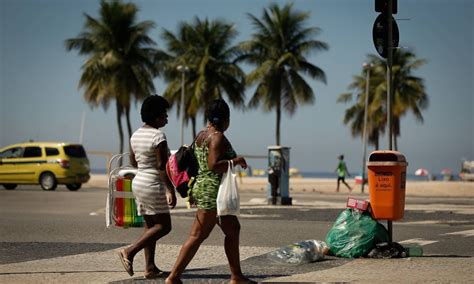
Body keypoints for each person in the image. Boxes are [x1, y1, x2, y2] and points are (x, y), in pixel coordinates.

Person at [165, 99, 255, 284]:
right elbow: (213, 165)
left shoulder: (201, 135)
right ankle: (173, 277)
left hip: (204, 188)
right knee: (197, 235)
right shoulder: (218, 137)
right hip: (212, 192)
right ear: (225, 119)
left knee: (233, 229)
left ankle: (236, 276)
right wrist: (236, 161)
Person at [118, 95, 177, 279]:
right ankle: (129, 251)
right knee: (164, 226)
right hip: (153, 183)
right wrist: (170, 189)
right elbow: (162, 166)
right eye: (164, 115)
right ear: (156, 116)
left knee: (150, 225)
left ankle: (150, 268)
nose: (167, 118)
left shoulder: (135, 135)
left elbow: (133, 162)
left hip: (139, 181)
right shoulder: (158, 135)